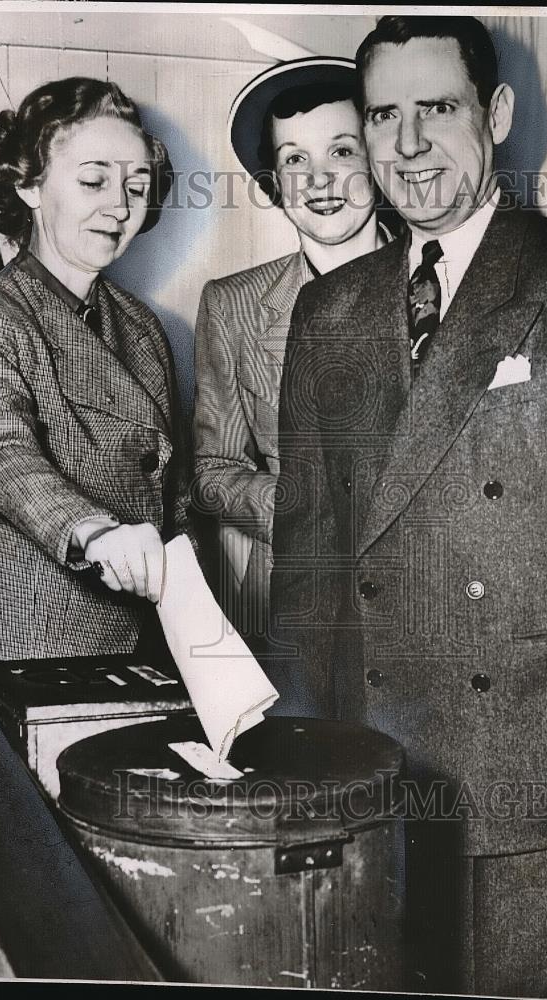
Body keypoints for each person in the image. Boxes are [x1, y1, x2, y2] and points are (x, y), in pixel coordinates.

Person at [268, 16, 547, 1000]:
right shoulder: (327, 312)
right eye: (384, 114)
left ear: (496, 115)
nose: (409, 143)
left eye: (438, 108)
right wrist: (295, 744)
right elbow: (309, 555)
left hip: (539, 771)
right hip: (371, 770)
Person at [0, 77, 189, 671]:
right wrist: (94, 533)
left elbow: (174, 498)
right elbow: (0, 453)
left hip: (142, 652)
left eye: (136, 186)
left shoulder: (144, 329)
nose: (119, 206)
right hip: (25, 646)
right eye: (93, 181)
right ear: (28, 185)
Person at [192, 58, 395, 651]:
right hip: (295, 613)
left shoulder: (446, 284)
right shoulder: (233, 306)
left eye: (342, 152)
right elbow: (211, 473)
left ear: (379, 165)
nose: (320, 180)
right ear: (274, 184)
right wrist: (302, 507)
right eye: (295, 160)